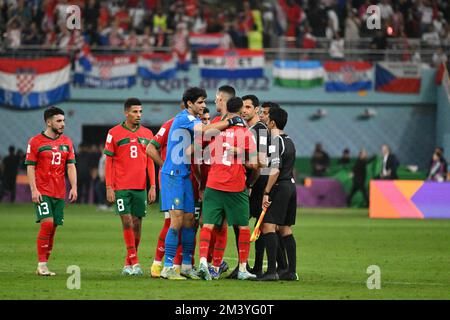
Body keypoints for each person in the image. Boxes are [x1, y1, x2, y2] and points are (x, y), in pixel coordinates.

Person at [158, 87, 244, 280]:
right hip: (173, 175)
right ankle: (168, 267)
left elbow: (199, 141)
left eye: (205, 101)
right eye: (200, 102)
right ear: (189, 104)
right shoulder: (183, 118)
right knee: (177, 221)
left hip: (185, 175)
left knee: (190, 221)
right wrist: (230, 121)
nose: (204, 105)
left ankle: (187, 266)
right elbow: (205, 131)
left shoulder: (194, 120)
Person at [197, 96, 258, 281]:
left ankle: (202, 262)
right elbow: (255, 164)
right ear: (240, 111)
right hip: (235, 185)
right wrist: (249, 182)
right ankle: (242, 268)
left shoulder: (216, 130)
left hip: (214, 183)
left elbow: (199, 147)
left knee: (208, 224)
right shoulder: (246, 133)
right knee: (242, 226)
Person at [103, 98, 157, 276]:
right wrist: (109, 187)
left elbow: (150, 162)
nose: (138, 115)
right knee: (126, 221)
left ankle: (128, 263)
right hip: (121, 187)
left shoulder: (147, 133)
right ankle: (135, 262)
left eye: (140, 112)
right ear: (126, 113)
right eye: (135, 112)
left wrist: (153, 186)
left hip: (140, 187)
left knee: (137, 224)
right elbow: (109, 161)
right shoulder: (114, 133)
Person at [25, 106, 78, 276]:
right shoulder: (35, 142)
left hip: (59, 192)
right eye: (59, 121)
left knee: (53, 228)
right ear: (49, 122)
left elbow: (70, 166)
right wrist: (34, 190)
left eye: (63, 121)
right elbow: (30, 167)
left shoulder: (67, 142)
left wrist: (74, 187)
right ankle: (41, 265)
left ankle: (44, 263)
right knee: (46, 223)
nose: (63, 124)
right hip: (43, 191)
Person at [259, 107, 298, 281]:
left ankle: (272, 272)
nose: (265, 122)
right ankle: (291, 271)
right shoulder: (289, 140)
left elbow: (275, 169)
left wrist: (266, 191)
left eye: (267, 120)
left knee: (268, 225)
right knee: (285, 228)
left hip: (281, 186)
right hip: (291, 186)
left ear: (273, 122)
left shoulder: (275, 141)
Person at [240, 94, 269, 278]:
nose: (244, 110)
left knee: (259, 225)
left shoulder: (261, 130)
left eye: (248, 107)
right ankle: (244, 265)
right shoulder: (246, 129)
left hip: (258, 183)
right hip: (248, 181)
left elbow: (261, 160)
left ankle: (257, 267)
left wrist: (251, 183)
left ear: (256, 110)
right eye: (243, 107)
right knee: (241, 225)